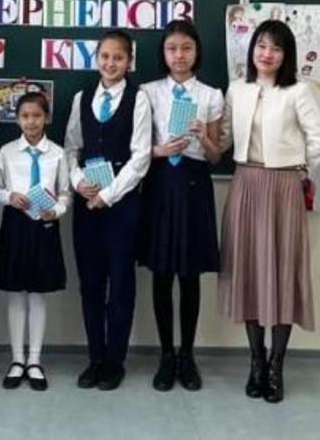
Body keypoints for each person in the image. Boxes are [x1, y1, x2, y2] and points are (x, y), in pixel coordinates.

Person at [219, 19, 320, 403]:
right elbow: (224, 139)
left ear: (287, 56)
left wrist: (300, 170)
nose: (267, 54)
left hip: (283, 187)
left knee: (283, 274)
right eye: (261, 46)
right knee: (249, 272)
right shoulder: (237, 90)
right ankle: (256, 360)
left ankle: (276, 366)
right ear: (252, 49)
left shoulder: (297, 92)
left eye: (276, 48)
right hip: (245, 184)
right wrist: (204, 135)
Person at [64, 29, 152, 391]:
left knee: (121, 284)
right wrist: (77, 181)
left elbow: (141, 157)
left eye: (118, 57)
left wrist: (109, 195)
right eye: (105, 56)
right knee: (91, 283)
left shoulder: (138, 99)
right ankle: (95, 358)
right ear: (96, 58)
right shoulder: (82, 98)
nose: (111, 63)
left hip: (122, 205)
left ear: (129, 62)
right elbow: (71, 148)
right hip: (86, 204)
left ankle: (115, 361)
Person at [138, 20, 224, 391]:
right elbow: (136, 147)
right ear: (164, 53)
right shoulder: (147, 92)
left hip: (194, 185)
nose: (179, 56)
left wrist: (204, 137)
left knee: (189, 276)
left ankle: (187, 356)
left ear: (197, 52)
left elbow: (217, 156)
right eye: (172, 48)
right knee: (161, 273)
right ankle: (166, 355)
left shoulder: (211, 95)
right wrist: (159, 150)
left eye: (186, 48)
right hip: (160, 182)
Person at [0, 91, 71, 392]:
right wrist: (9, 196)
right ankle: (17, 360)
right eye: (24, 116)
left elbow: (65, 193)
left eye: (37, 115)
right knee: (15, 293)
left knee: (37, 294)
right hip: (15, 224)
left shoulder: (58, 153)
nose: (31, 122)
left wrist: (56, 210)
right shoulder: (7, 152)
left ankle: (35, 360)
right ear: (17, 119)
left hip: (44, 225)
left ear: (47, 118)